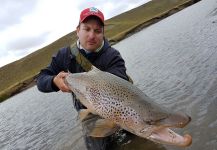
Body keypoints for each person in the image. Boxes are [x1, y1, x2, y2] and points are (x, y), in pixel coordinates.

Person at [37, 7, 132, 150]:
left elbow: (120, 82)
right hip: (88, 112)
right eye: (87, 29)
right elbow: (41, 80)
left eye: (97, 31)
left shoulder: (113, 56)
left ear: (103, 33)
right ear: (77, 30)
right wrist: (53, 81)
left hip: (120, 107)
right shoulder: (64, 55)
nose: (92, 35)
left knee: (138, 134)